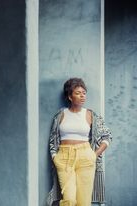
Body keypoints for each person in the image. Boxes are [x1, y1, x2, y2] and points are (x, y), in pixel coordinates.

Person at [47, 78, 112, 206]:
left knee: (83, 202)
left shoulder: (91, 115)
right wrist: (55, 157)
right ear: (70, 97)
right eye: (78, 93)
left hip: (85, 157)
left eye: (84, 93)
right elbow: (52, 139)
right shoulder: (60, 114)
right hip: (64, 158)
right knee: (69, 200)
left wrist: (94, 154)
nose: (82, 96)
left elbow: (107, 136)